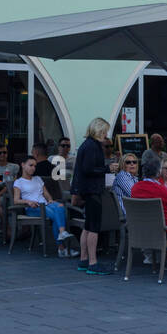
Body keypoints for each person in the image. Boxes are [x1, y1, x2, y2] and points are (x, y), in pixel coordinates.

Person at [70, 118, 113, 275]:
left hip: (86, 190)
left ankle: (83, 259)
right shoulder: (92, 146)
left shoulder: (87, 144)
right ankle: (93, 262)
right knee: (94, 227)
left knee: (88, 226)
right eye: (104, 131)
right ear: (98, 130)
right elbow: (89, 169)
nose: (106, 134)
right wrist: (107, 168)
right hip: (92, 190)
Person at [12, 157, 76, 255]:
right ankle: (62, 246)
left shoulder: (38, 179)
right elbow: (16, 200)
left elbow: (46, 194)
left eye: (35, 166)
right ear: (23, 165)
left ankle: (62, 239)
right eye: (31, 165)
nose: (33, 168)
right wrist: (28, 201)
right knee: (56, 214)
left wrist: (50, 200)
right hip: (33, 208)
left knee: (59, 206)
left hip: (45, 205)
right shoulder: (19, 182)